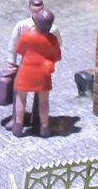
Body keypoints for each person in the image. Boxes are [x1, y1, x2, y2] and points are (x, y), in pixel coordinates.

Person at [12, 7, 61, 137]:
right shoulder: (52, 39)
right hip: (43, 73)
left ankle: (18, 126)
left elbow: (19, 50)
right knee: (43, 101)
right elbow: (57, 56)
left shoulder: (27, 36)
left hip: (26, 71)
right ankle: (44, 127)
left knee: (21, 98)